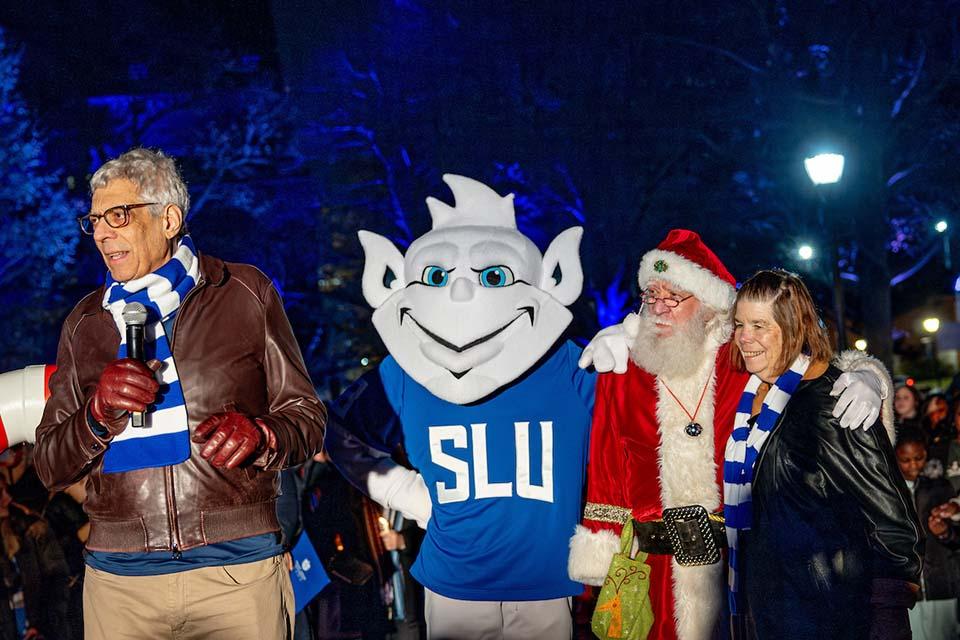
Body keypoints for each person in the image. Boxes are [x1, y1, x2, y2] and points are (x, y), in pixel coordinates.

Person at [32, 147, 326, 640]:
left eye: (118, 215)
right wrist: (97, 413)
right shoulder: (85, 323)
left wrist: (262, 433)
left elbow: (307, 418)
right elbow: (49, 464)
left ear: (169, 218)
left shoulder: (244, 292)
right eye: (94, 220)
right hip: (120, 584)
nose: (102, 233)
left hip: (238, 574)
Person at [568, 229, 890, 640]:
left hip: (739, 566)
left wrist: (868, 376)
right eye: (651, 295)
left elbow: (813, 370)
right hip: (651, 571)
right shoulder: (624, 366)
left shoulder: (744, 357)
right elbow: (608, 460)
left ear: (708, 305)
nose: (659, 308)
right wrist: (601, 550)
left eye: (674, 297)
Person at [724, 269, 921, 639]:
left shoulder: (834, 403)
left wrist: (888, 617)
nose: (744, 338)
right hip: (770, 611)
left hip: (831, 616)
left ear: (794, 326)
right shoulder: (753, 396)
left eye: (759, 325)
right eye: (739, 324)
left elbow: (892, 520)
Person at [895, 427, 960, 640]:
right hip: (903, 591)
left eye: (919, 458)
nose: (914, 464)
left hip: (942, 586)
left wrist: (944, 533)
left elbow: (956, 539)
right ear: (894, 456)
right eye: (906, 460)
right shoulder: (887, 493)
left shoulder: (941, 489)